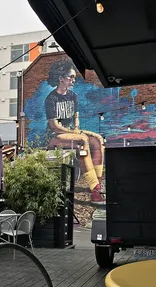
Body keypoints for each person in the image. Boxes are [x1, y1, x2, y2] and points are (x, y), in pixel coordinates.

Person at [45, 58, 105, 205]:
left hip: (70, 132)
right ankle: (94, 189)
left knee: (97, 139)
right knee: (83, 140)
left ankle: (97, 183)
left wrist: (77, 128)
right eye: (70, 77)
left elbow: (76, 117)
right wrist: (74, 133)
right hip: (54, 136)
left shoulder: (73, 96)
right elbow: (53, 126)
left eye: (74, 77)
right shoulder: (51, 99)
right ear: (61, 79)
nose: (73, 79)